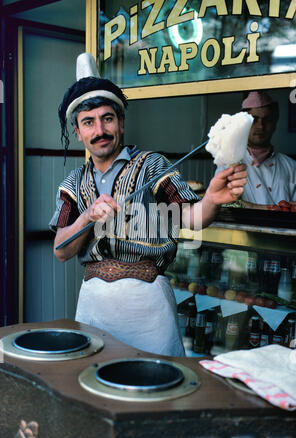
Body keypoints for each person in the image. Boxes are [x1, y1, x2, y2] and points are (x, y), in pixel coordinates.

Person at [49, 53, 247, 357]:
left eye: (107, 118)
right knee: (94, 386)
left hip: (148, 305)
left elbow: (190, 217)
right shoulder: (73, 184)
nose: (99, 130)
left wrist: (212, 200)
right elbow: (61, 250)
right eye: (88, 122)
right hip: (93, 304)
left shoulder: (152, 165)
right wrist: (87, 217)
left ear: (121, 123)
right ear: (78, 132)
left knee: (159, 385)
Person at [217, 90, 296, 207]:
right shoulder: (227, 164)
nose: (260, 126)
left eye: (267, 120)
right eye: (254, 119)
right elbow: (222, 205)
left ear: (274, 123)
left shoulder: (290, 166)